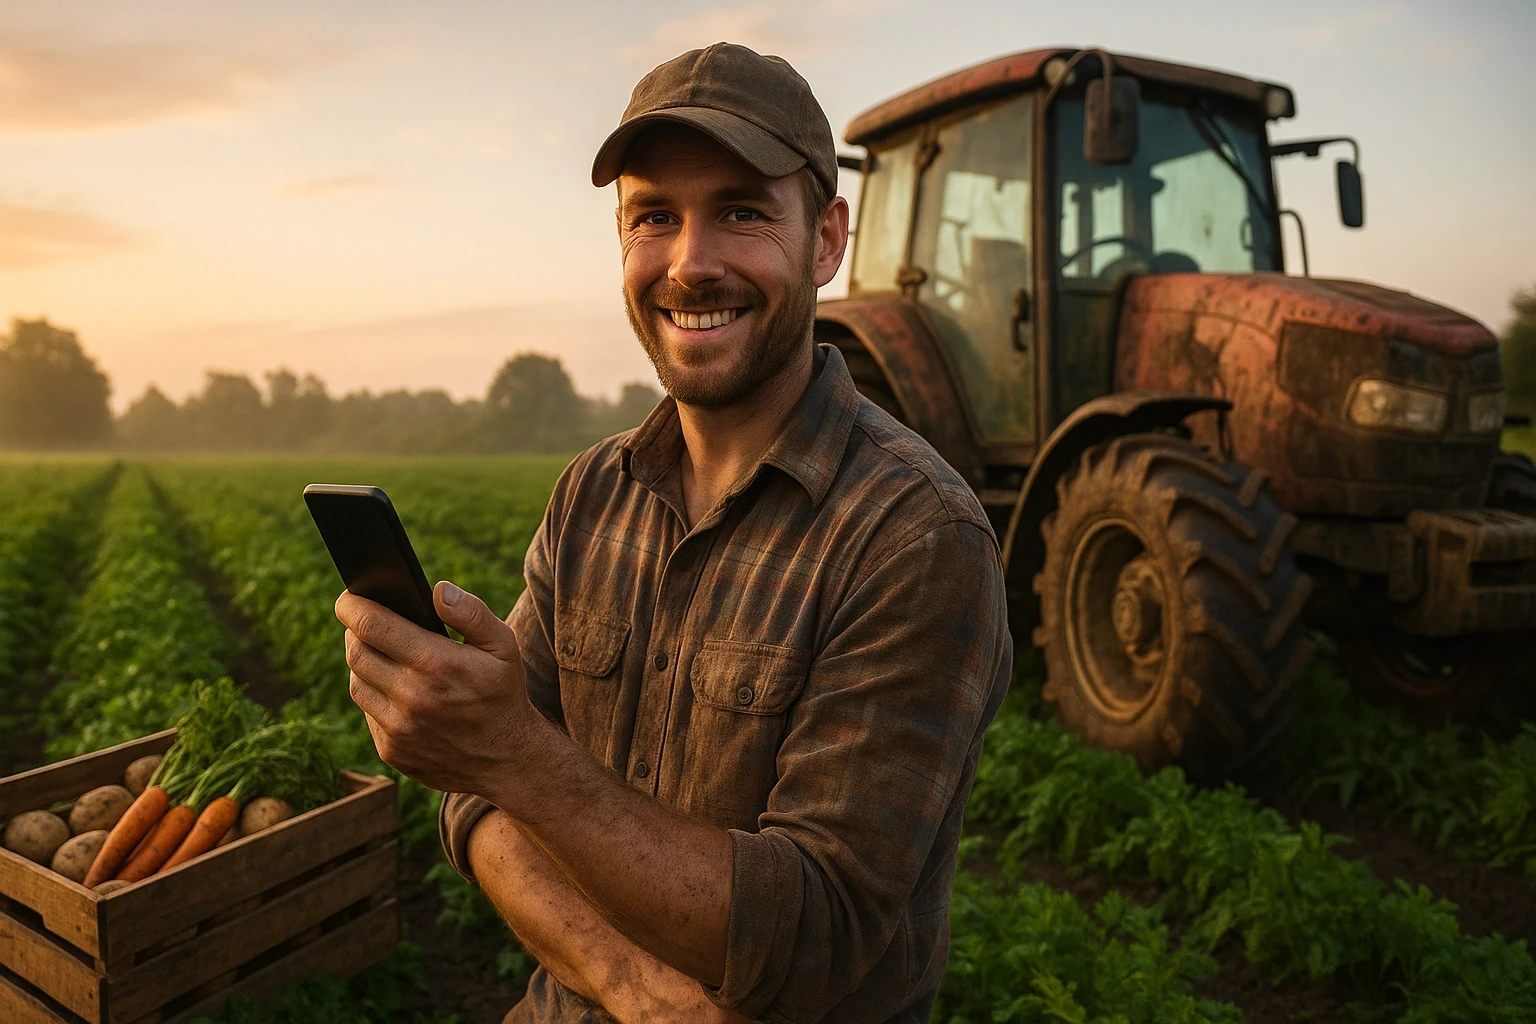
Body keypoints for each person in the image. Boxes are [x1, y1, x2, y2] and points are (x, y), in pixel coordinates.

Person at [336, 42, 1011, 1023]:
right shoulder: (590, 497)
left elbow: (816, 931)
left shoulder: (914, 533)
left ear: (826, 241)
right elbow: (477, 805)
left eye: (742, 211)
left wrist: (516, 755)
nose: (692, 263)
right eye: (655, 216)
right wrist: (625, 981)